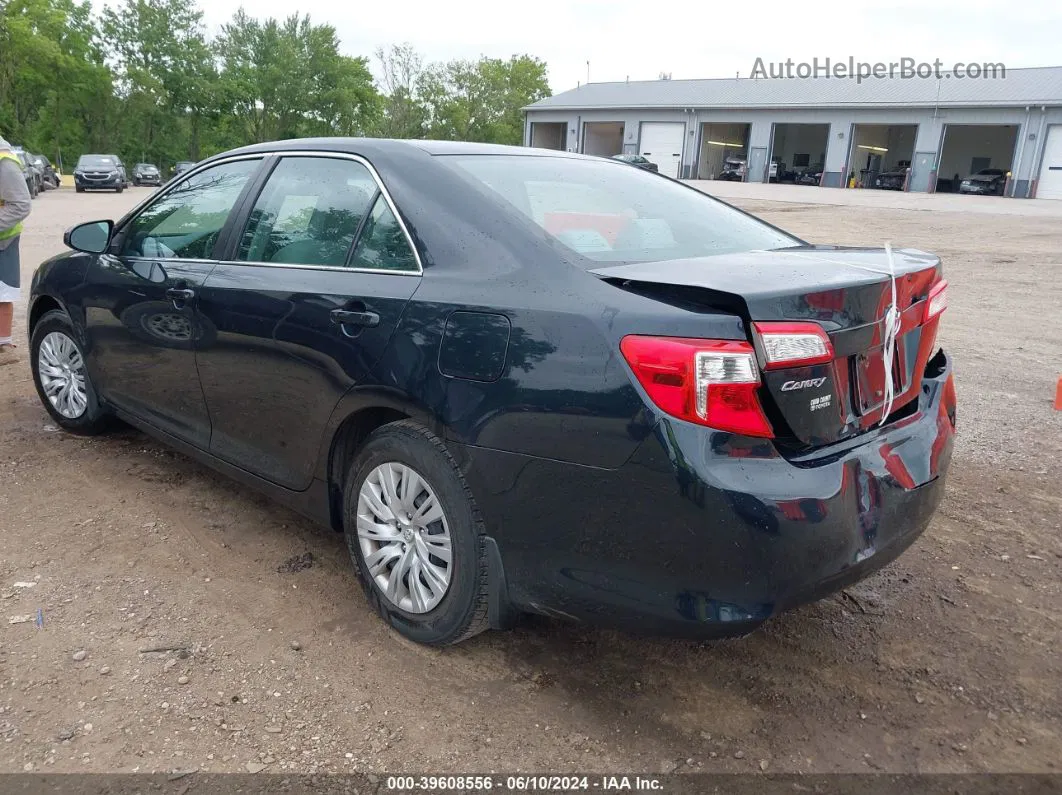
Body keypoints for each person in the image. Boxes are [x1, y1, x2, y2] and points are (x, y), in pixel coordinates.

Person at [0, 135, 32, 366]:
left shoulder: (5, 164)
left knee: (1, 294)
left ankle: (3, 344)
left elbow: (20, 205)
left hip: (2, 241)